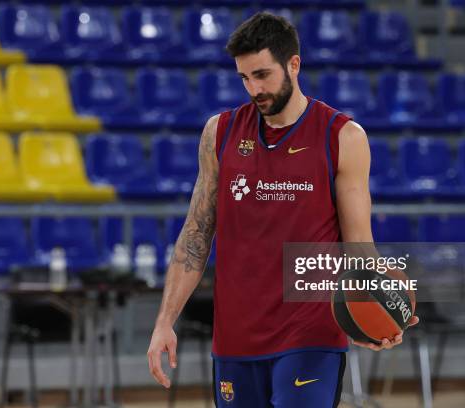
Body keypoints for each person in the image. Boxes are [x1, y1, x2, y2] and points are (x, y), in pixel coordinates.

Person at [148, 12, 418, 407]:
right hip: (236, 336)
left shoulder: (343, 136)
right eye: (244, 78)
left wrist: (377, 310)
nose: (253, 88)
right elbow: (197, 233)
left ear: (294, 64)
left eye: (262, 74)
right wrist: (164, 321)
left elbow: (359, 243)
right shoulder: (219, 133)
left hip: (311, 334)